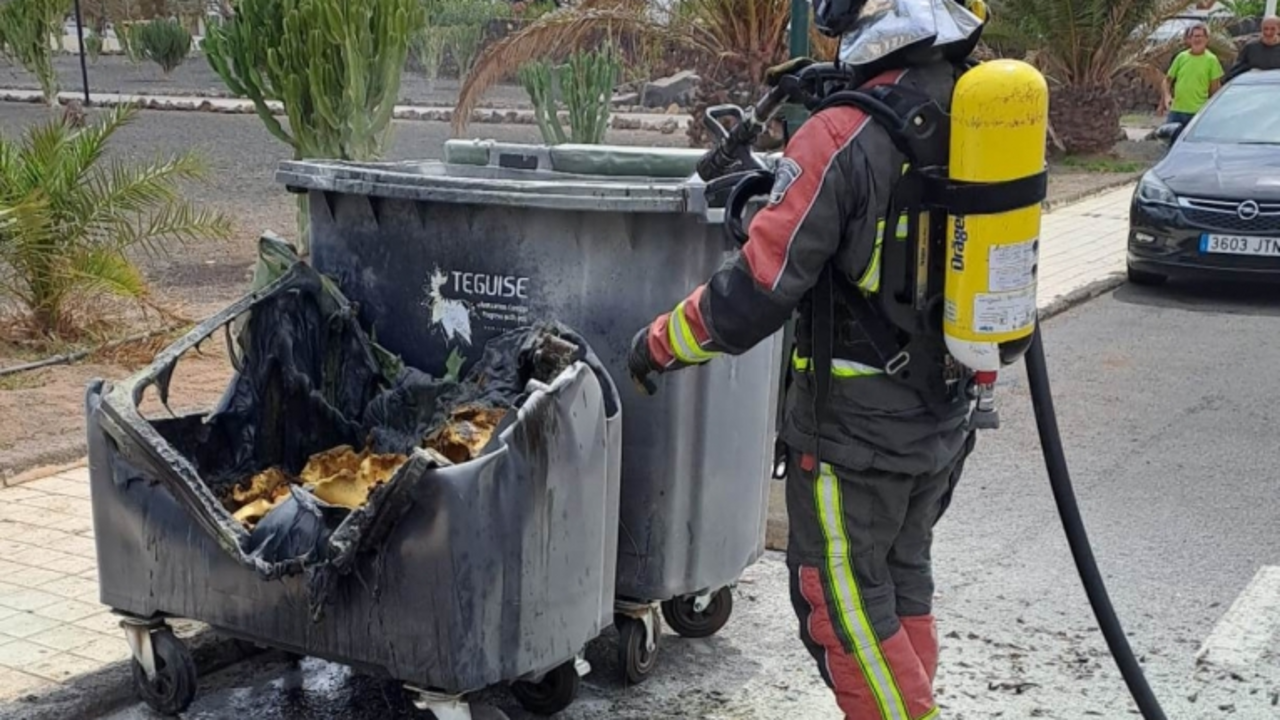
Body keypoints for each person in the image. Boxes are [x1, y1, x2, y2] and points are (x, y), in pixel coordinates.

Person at [627, 0, 987, 717]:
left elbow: (757, 293)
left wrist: (658, 342)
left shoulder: (842, 134)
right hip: (943, 415)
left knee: (842, 607)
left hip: (855, 436)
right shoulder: (975, 111)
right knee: (898, 579)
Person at [1161, 22, 1224, 125]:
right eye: (1194, 36)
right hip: (1177, 110)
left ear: (1206, 39)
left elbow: (1214, 90)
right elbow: (1167, 81)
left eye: (1200, 36)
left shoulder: (1212, 60)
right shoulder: (1181, 57)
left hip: (1198, 112)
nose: (1197, 39)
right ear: (1189, 39)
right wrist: (1167, 97)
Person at [1225, 15, 1280, 82]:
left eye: (1273, 29)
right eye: (1265, 28)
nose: (1268, 32)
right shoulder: (1250, 47)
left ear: (1279, 29)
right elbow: (1236, 70)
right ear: (1261, 28)